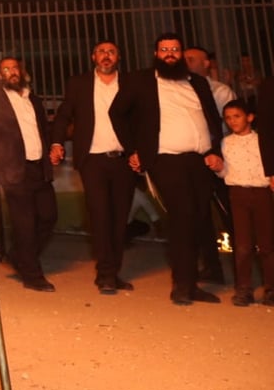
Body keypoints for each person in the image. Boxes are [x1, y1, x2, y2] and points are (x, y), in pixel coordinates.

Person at [109, 32, 224, 306]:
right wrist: (134, 148)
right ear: (156, 55)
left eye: (174, 49)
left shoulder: (197, 82)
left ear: (181, 54)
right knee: (183, 218)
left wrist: (215, 151)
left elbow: (211, 118)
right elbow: (117, 113)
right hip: (165, 160)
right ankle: (182, 287)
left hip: (199, 161)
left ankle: (191, 283)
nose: (169, 53)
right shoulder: (142, 81)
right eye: (164, 50)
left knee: (198, 219)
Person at [0, 56, 61, 292]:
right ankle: (32, 275)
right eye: (6, 69)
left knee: (49, 216)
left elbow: (43, 130)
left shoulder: (35, 100)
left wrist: (52, 149)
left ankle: (18, 256)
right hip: (11, 169)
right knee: (25, 225)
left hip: (38, 168)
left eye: (15, 68)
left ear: (22, 72)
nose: (12, 72)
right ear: (0, 76)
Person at [50, 40, 135, 294]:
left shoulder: (130, 83)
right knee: (100, 216)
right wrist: (56, 142)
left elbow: (144, 118)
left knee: (120, 218)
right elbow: (64, 115)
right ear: (93, 57)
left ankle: (113, 271)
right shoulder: (79, 84)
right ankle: (105, 274)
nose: (106, 56)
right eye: (101, 52)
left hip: (123, 159)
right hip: (93, 160)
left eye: (111, 52)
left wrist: (140, 151)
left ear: (118, 57)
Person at [184, 44, 236, 284]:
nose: (187, 61)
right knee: (200, 215)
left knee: (230, 214)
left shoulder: (220, 91)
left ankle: (240, 269)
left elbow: (228, 126)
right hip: (195, 160)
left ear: (207, 64)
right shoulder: (181, 90)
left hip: (221, 159)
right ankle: (212, 267)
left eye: (192, 59)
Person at [216, 101, 273, 307]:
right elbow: (224, 173)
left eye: (237, 116)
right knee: (242, 246)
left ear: (250, 117)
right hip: (238, 194)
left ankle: (271, 288)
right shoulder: (225, 143)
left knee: (267, 244)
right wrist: (218, 167)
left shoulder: (263, 141)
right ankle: (243, 289)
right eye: (228, 118)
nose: (232, 121)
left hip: (261, 193)